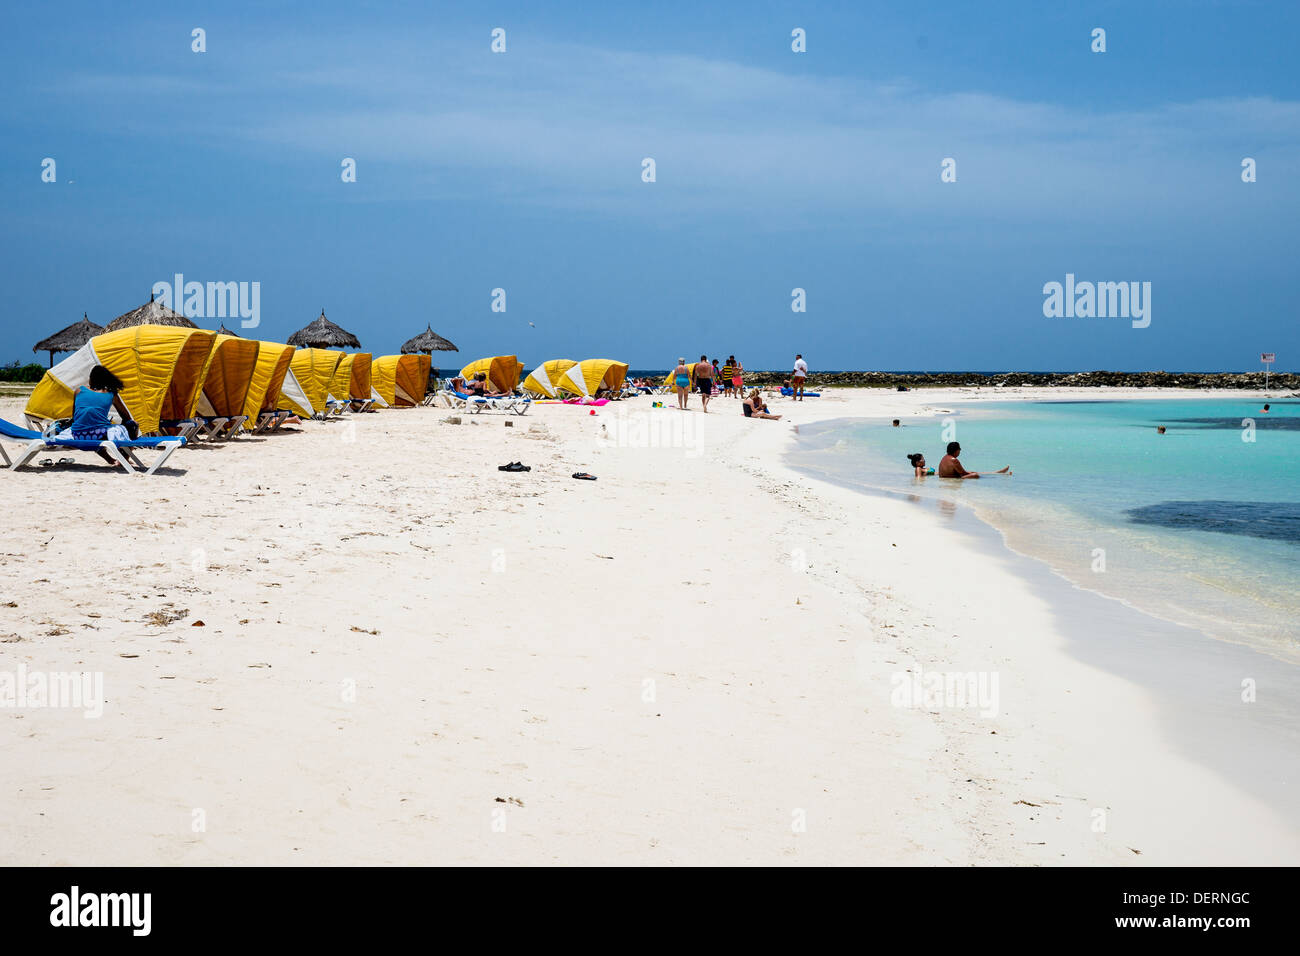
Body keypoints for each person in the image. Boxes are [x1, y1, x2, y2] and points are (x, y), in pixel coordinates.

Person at [64, 365, 137, 465]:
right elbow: (126, 417)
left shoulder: (79, 391)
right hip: (97, 435)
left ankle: (110, 460)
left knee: (93, 426)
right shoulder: (111, 394)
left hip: (78, 434)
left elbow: (75, 417)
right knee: (132, 425)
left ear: (91, 379)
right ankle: (123, 460)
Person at [937, 441, 1010, 479]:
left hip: (946, 478)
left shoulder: (945, 457)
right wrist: (973, 474)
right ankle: (994, 475)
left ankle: (996, 473)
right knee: (975, 475)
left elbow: (962, 472)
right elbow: (963, 474)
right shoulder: (954, 460)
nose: (960, 451)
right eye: (959, 449)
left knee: (972, 472)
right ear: (955, 450)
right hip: (951, 479)